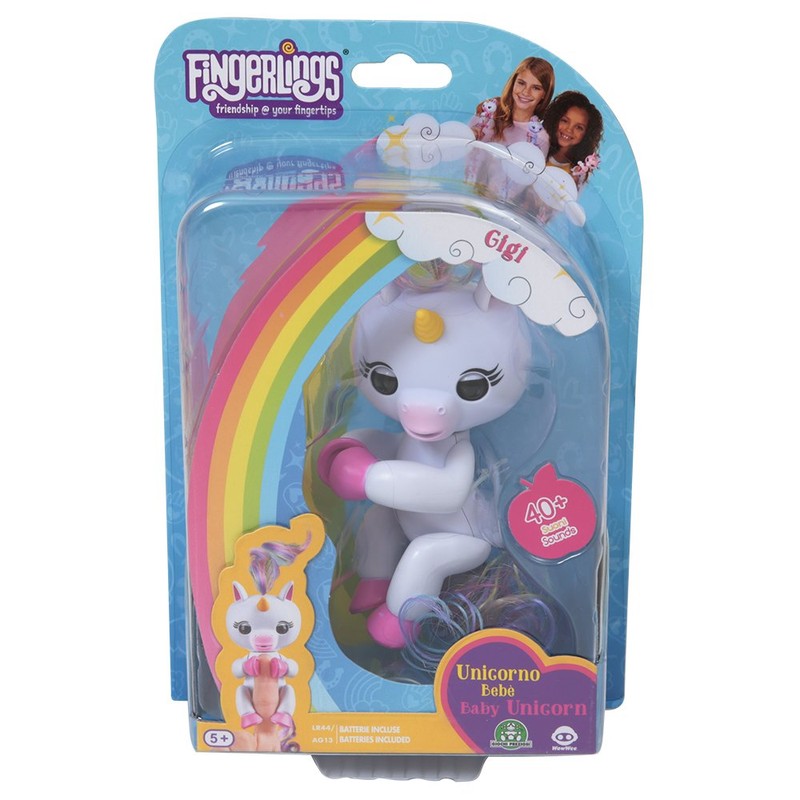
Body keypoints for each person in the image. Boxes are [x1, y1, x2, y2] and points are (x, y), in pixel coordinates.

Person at [467, 57, 555, 199]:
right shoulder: (489, 112)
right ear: (513, 82)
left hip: (498, 204)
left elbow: (523, 181)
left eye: (536, 88)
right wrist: (469, 137)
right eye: (521, 83)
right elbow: (462, 153)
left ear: (544, 94)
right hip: (465, 190)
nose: (525, 92)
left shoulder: (539, 138)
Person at [542, 90, 603, 189]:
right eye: (565, 121)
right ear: (555, 119)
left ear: (587, 134)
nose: (569, 130)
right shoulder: (537, 144)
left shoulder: (580, 172)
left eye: (579, 127)